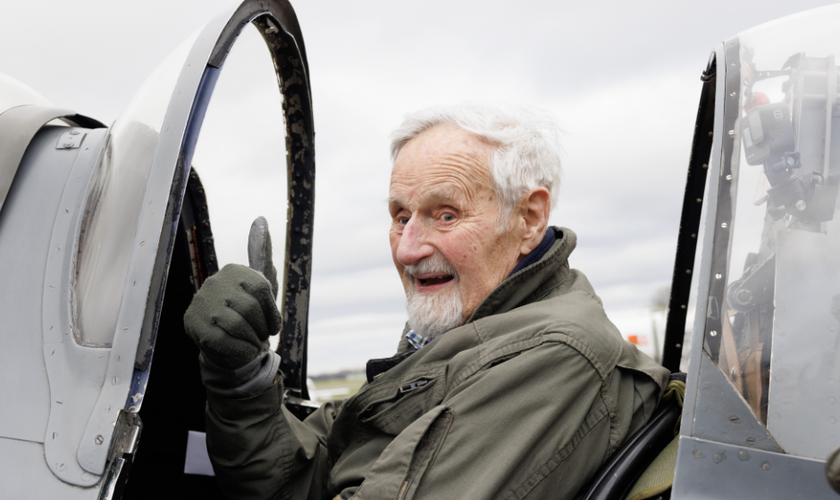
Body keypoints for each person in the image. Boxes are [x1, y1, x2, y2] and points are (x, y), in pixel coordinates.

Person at [184, 104, 670, 500]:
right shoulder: (459, 332)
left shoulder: (556, 356)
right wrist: (243, 375)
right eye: (400, 217)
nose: (407, 248)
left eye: (445, 214)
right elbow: (305, 479)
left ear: (529, 218)